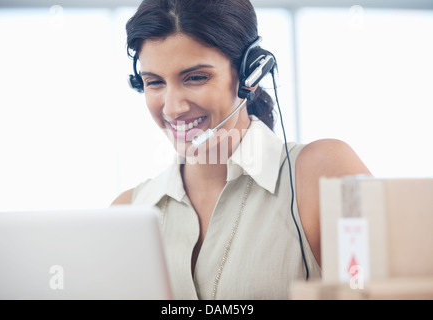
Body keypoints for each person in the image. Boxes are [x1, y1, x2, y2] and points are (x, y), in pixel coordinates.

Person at [112, 0, 371, 300]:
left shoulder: (323, 175)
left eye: (195, 77)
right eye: (154, 83)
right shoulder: (126, 212)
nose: (172, 107)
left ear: (250, 75)